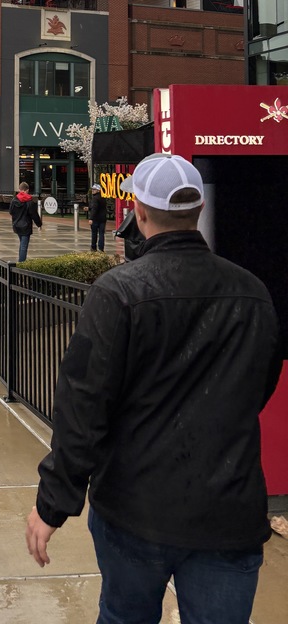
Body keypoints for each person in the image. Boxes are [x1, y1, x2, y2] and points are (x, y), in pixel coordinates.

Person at [26, 154, 282, 624]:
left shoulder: (117, 292)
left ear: (138, 213)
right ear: (199, 208)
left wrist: (53, 505)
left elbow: (82, 408)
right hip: (228, 510)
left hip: (134, 509)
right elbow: (258, 385)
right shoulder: (252, 291)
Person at [8, 182, 42, 262]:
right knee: (24, 246)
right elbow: (34, 214)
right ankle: (21, 263)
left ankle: (21, 261)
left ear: (19, 189)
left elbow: (10, 211)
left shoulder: (14, 200)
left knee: (22, 244)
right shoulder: (29, 201)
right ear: (27, 190)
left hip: (16, 225)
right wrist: (39, 224)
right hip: (26, 226)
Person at [87, 182, 107, 252]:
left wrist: (91, 218)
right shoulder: (103, 198)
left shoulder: (95, 198)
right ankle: (101, 248)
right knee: (101, 233)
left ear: (98, 190)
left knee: (94, 233)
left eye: (94, 189)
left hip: (96, 219)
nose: (93, 191)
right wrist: (89, 208)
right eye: (92, 189)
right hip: (103, 218)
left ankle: (93, 247)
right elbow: (99, 207)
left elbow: (94, 208)